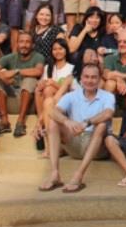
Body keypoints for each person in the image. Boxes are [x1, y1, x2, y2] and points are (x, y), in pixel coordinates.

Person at [38, 63, 114, 193]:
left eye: (94, 77)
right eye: (86, 77)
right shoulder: (71, 96)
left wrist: (87, 123)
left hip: (97, 147)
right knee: (53, 122)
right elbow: (52, 111)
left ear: (100, 79)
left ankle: (78, 175)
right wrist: (66, 121)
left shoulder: (107, 96)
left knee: (101, 125)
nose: (89, 80)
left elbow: (108, 113)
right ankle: (55, 174)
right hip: (75, 142)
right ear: (81, 78)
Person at [0, 31, 44, 137]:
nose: (24, 45)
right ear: (17, 44)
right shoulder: (10, 57)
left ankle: (20, 122)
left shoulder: (38, 57)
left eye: (27, 42)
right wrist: (1, 76)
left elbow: (38, 71)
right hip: (9, 99)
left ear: (32, 45)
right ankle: (4, 121)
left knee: (30, 79)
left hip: (28, 101)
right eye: (21, 42)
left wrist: (16, 71)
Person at [33, 38, 75, 154]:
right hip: (50, 102)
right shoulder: (48, 68)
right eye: (54, 49)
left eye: (60, 49)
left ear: (66, 50)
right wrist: (41, 84)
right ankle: (43, 121)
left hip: (65, 103)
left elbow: (72, 90)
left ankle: (40, 123)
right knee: (41, 90)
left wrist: (54, 84)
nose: (57, 51)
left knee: (49, 89)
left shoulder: (71, 68)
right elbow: (42, 87)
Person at [68, 6, 104, 75]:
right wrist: (85, 30)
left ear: (101, 20)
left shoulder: (102, 32)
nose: (94, 20)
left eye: (97, 18)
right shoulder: (78, 28)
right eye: (91, 17)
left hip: (95, 67)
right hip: (78, 64)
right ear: (86, 18)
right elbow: (71, 49)